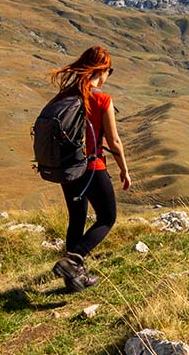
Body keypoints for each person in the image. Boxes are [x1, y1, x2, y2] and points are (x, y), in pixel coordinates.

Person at [49, 46, 131, 292]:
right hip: (92, 167)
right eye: (109, 71)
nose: (108, 75)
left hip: (68, 168)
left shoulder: (64, 97)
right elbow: (114, 141)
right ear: (101, 70)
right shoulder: (101, 99)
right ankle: (73, 261)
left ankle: (74, 280)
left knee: (77, 218)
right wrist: (124, 170)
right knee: (107, 217)